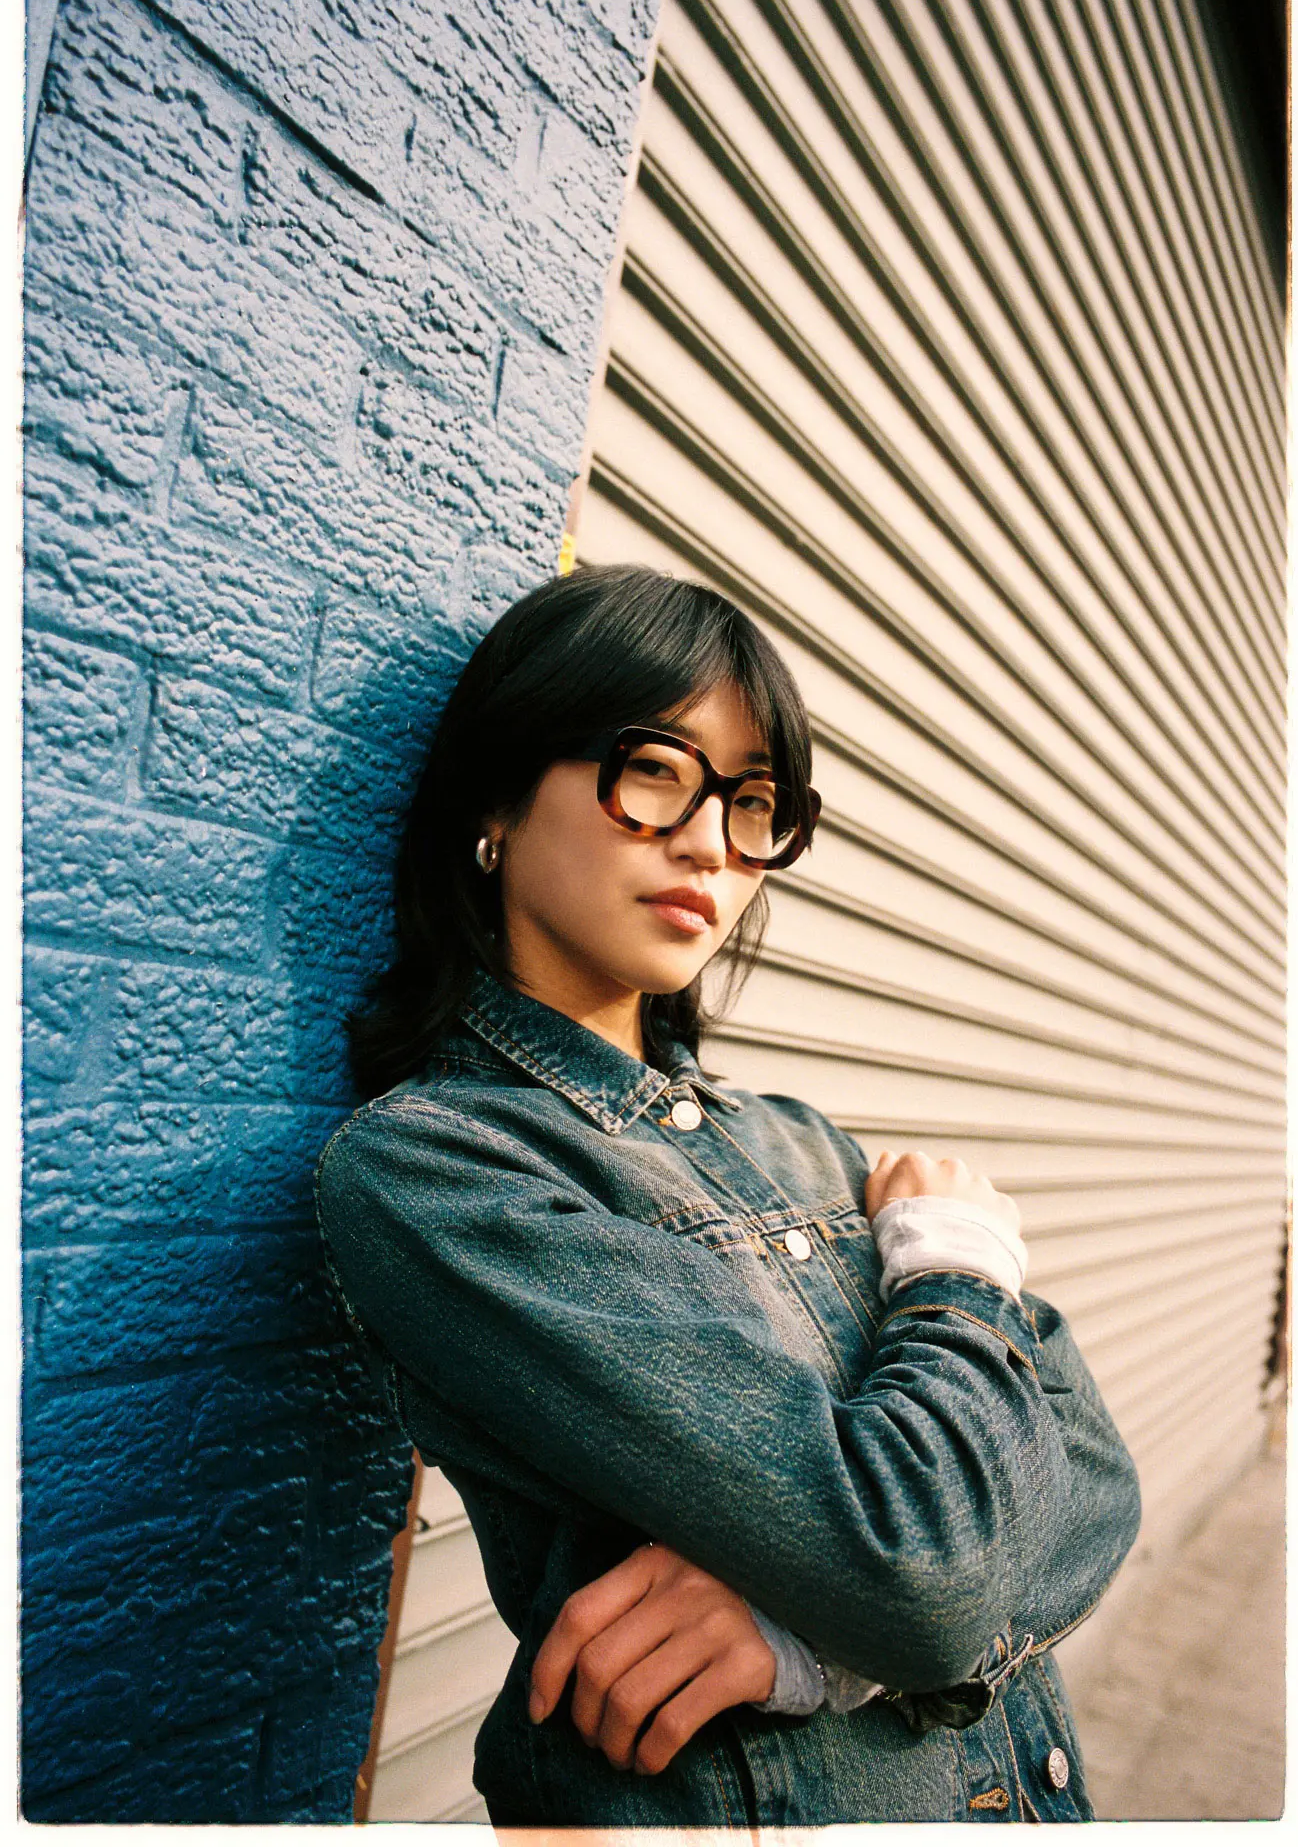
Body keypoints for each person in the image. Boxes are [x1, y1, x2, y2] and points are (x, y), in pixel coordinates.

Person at [315, 563, 1141, 1825]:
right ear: (495, 797)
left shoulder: (804, 1143)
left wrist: (807, 1642)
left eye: (752, 803)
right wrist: (959, 1273)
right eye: (654, 770)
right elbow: (928, 1574)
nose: (709, 842)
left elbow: (1095, 1480)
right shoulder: (438, 1171)